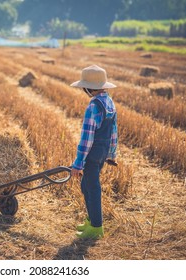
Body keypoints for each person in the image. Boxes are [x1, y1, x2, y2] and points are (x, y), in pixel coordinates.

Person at [70, 64, 118, 239]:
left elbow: (87, 139)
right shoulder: (109, 102)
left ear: (89, 89)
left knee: (92, 187)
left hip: (92, 153)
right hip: (103, 151)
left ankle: (97, 227)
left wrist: (78, 164)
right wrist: (112, 153)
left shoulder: (93, 107)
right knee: (86, 185)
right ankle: (91, 221)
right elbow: (114, 130)